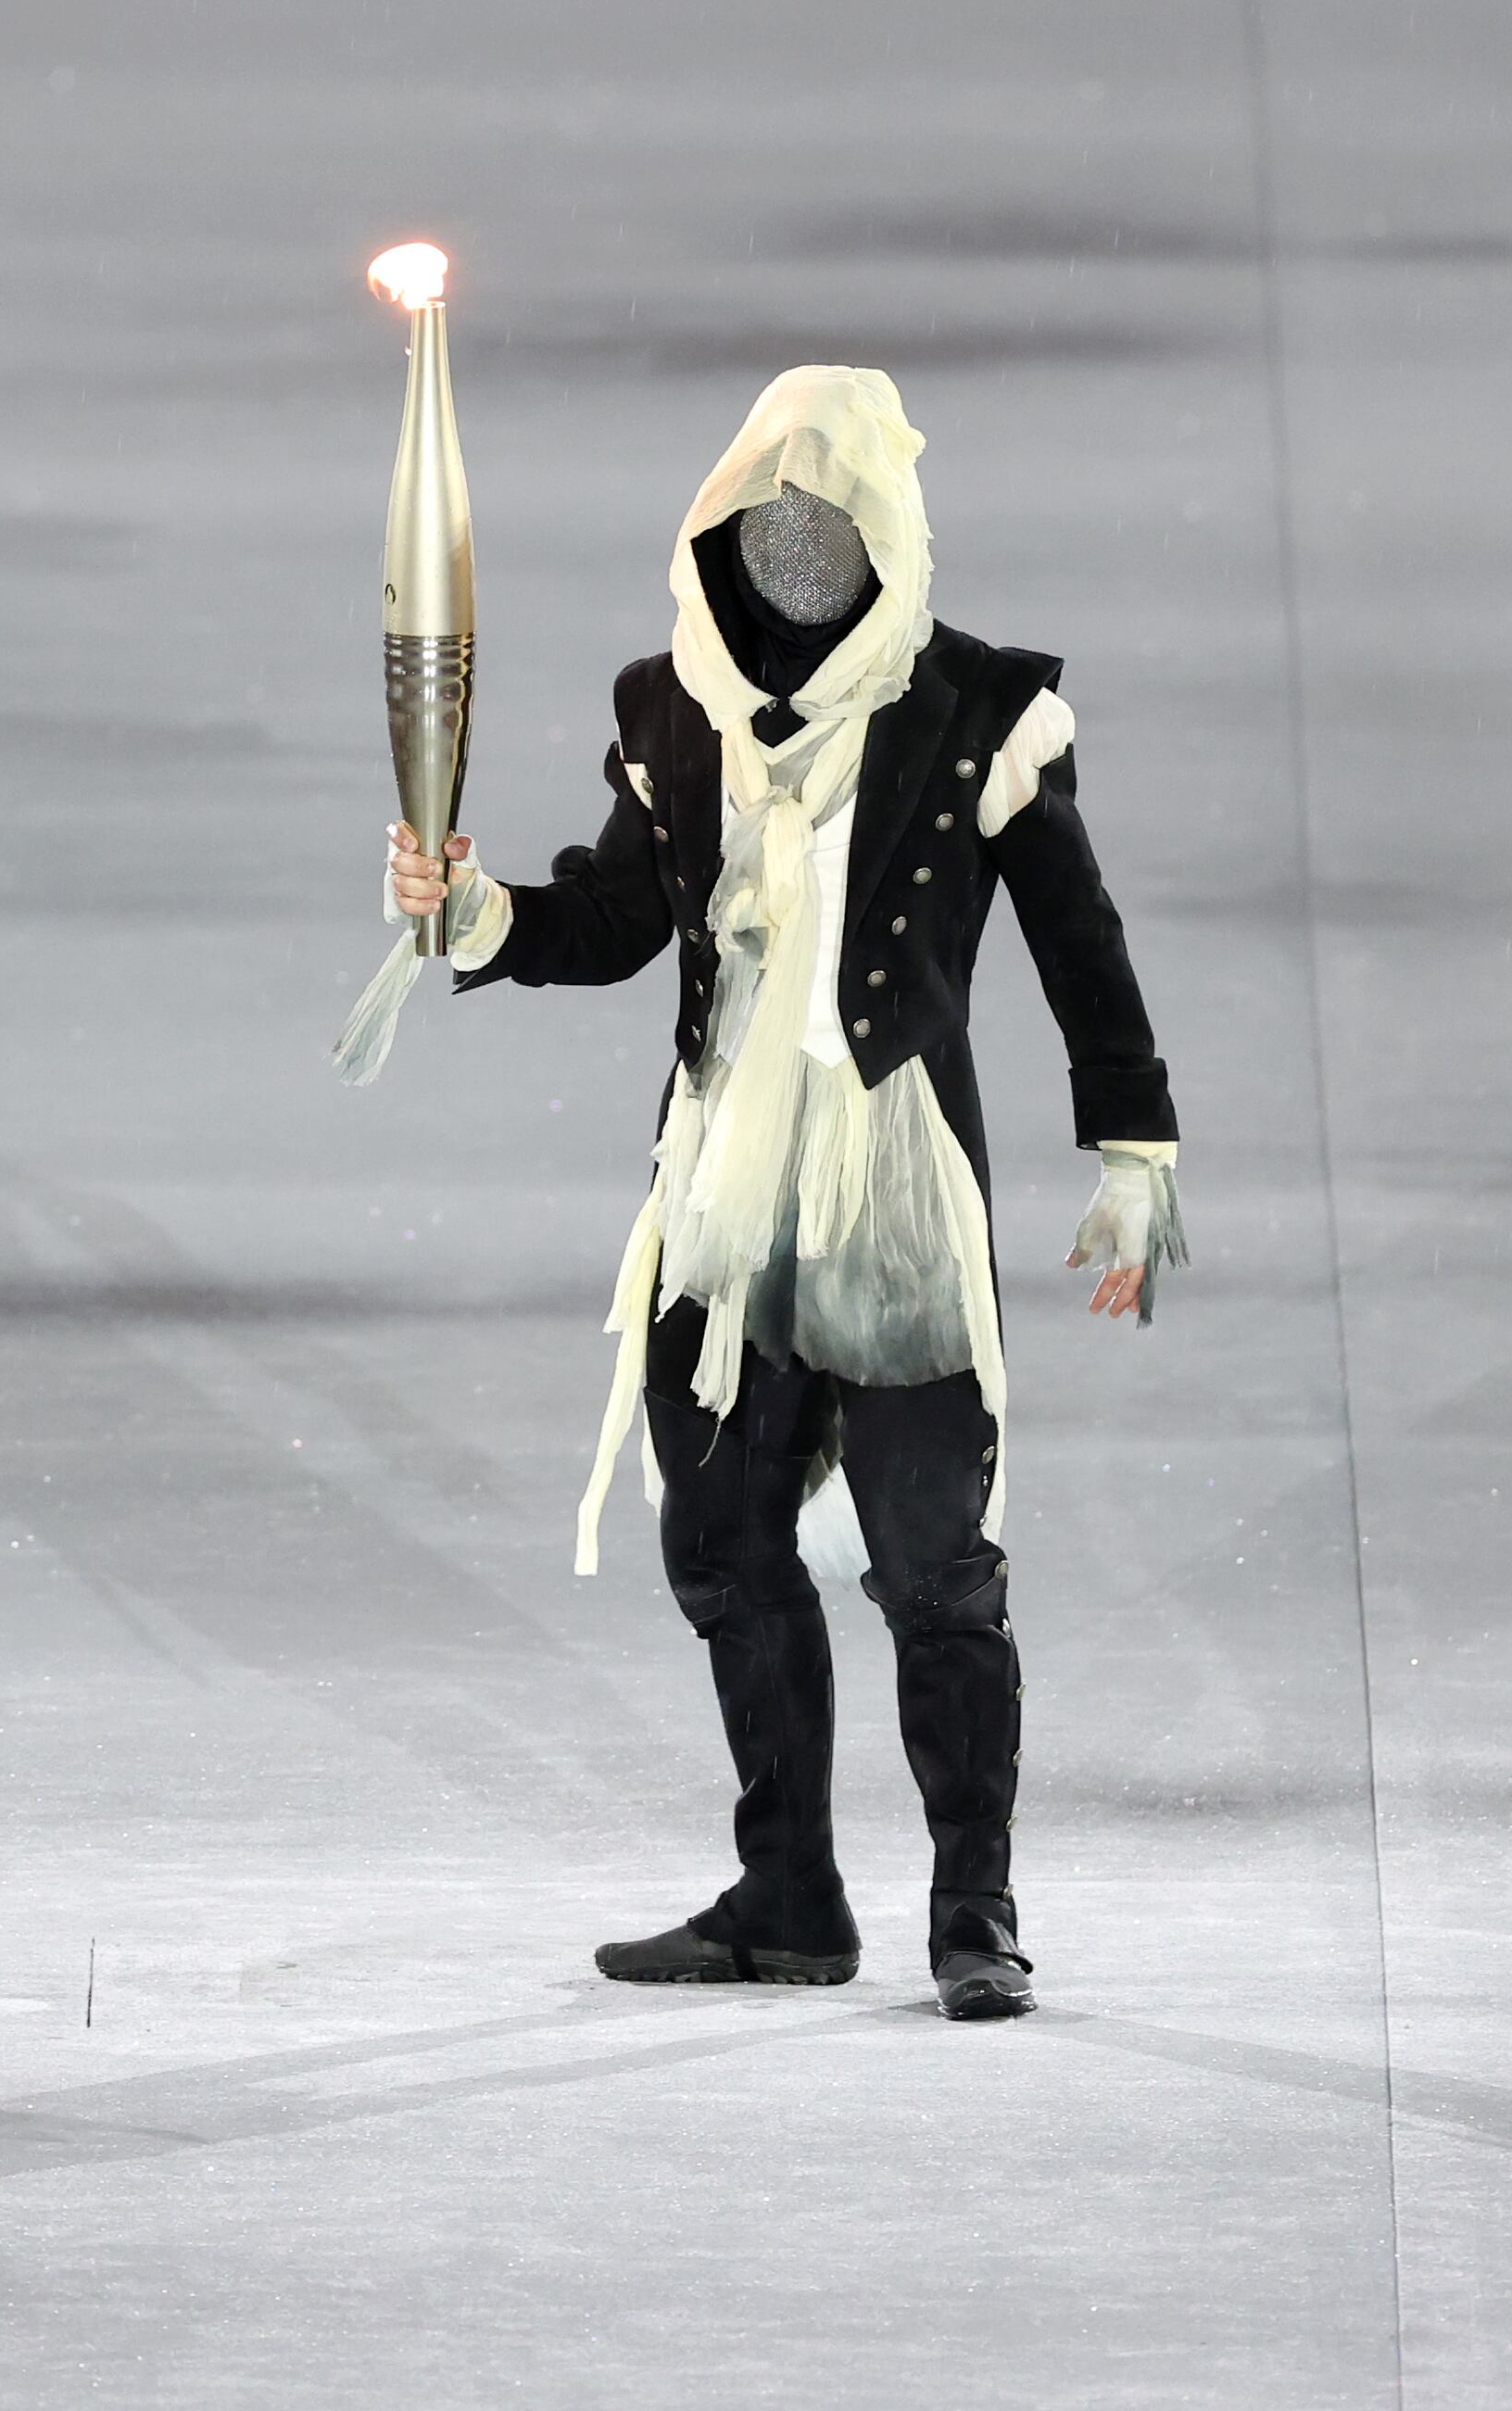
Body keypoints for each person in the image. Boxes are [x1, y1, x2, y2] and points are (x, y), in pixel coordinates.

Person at [383, 367, 1177, 2023]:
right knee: (728, 1538)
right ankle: (791, 1892)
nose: (792, 572)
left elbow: (1077, 943)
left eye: (824, 544)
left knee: (933, 1561)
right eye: (768, 543)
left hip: (892, 1197)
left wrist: (1133, 1145)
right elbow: (608, 922)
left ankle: (974, 1906)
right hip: (719, 1196)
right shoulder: (673, 706)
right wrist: (473, 911)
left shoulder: (978, 714)